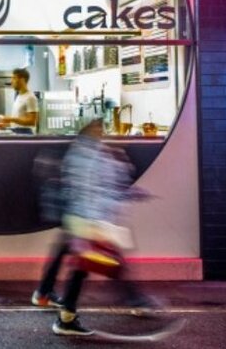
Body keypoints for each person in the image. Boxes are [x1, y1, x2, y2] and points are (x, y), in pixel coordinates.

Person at [36, 119, 155, 336]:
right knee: (96, 266)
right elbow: (88, 190)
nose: (103, 132)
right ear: (90, 129)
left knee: (83, 268)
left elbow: (95, 188)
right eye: (99, 128)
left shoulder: (84, 151)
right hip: (88, 220)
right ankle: (133, 300)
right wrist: (95, 223)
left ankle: (65, 314)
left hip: (84, 219)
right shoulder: (88, 155)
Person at [0, 68, 38, 134]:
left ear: (22, 80)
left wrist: (10, 119)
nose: (11, 81)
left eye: (14, 78)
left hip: (25, 135)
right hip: (17, 132)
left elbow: (32, 121)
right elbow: (18, 124)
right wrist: (4, 125)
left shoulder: (30, 97)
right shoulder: (19, 97)